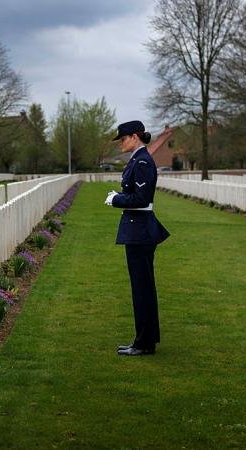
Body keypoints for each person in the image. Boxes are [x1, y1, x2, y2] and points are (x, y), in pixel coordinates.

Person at [105, 120, 170, 356]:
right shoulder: (137, 160)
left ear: (135, 137)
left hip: (140, 231)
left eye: (123, 139)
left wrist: (116, 200)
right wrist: (120, 196)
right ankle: (144, 340)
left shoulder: (142, 161)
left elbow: (141, 198)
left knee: (142, 289)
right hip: (137, 230)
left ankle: (144, 343)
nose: (120, 143)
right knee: (141, 288)